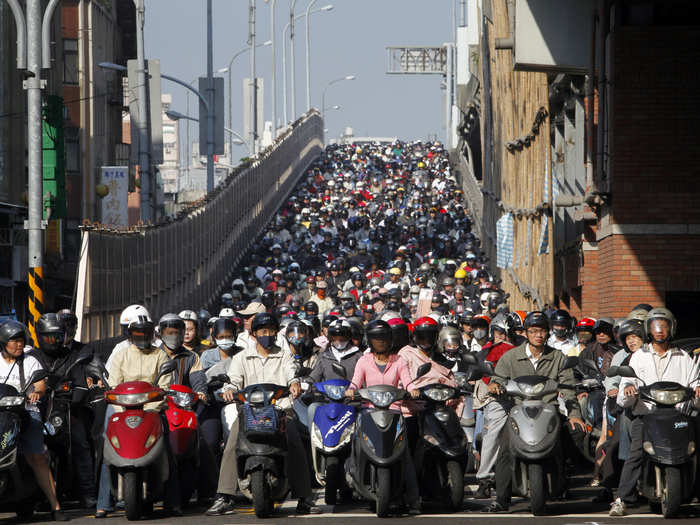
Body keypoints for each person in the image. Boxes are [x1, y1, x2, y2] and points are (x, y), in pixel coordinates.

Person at [206, 313, 320, 516]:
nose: (267, 335)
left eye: (270, 331)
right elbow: (233, 380)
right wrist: (230, 389)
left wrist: (294, 383)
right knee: (232, 442)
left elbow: (291, 373)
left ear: (276, 333)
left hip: (281, 411)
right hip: (249, 412)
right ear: (254, 334)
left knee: (294, 440)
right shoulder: (242, 357)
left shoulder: (284, 355)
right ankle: (225, 496)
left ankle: (304, 498)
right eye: (262, 331)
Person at [487, 311, 585, 512]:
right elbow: (498, 378)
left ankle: (565, 481)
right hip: (518, 410)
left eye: (542, 331)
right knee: (505, 447)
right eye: (533, 331)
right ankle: (501, 499)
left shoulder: (558, 357)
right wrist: (494, 385)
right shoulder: (511, 356)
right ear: (526, 333)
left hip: (549, 410)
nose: (538, 335)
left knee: (571, 437)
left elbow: (567, 387)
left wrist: (575, 414)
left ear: (548, 333)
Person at [609, 308, 700, 516]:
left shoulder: (683, 356)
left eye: (664, 326)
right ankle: (621, 499)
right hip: (648, 415)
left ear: (671, 328)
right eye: (655, 326)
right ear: (649, 329)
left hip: (678, 414)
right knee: (636, 454)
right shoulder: (638, 357)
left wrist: (697, 388)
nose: (659, 331)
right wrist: (629, 389)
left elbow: (694, 381)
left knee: (693, 449)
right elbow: (626, 389)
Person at [96, 315, 172, 518]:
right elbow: (113, 384)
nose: (142, 337)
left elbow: (164, 386)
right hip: (122, 412)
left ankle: (173, 500)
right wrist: (120, 405)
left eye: (146, 333)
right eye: (137, 333)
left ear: (152, 334)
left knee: (168, 447)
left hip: (151, 411)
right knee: (107, 449)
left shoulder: (160, 356)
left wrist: (151, 407)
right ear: (130, 335)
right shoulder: (121, 355)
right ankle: (103, 503)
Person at [346, 320, 422, 514]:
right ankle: (352, 479)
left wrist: (412, 390)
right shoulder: (363, 361)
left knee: (404, 453)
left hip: (394, 411)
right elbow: (355, 382)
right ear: (369, 341)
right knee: (355, 444)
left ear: (390, 340)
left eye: (383, 339)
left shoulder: (399, 361)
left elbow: (407, 381)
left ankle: (413, 499)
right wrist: (351, 390)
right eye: (376, 339)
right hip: (368, 411)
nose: (380, 343)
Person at [0, 320, 68, 521]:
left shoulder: (31, 361)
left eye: (21, 341)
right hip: (1, 415)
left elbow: (40, 385)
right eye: (14, 341)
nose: (19, 344)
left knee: (36, 456)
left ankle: (55, 506)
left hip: (26, 413)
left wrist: (36, 394)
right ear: (4, 342)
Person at [29, 313, 96, 509]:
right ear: (40, 336)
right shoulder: (32, 357)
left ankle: (88, 493)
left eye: (57, 336)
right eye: (48, 337)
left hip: (66, 410)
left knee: (81, 443)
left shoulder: (73, 356)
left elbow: (81, 381)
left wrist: (75, 395)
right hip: (36, 410)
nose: (53, 341)